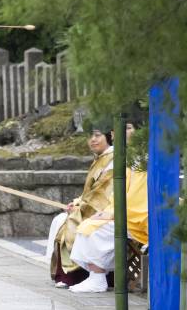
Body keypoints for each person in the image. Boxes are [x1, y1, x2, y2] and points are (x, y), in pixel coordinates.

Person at [69, 135, 148, 293]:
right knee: (82, 225)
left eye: (128, 128)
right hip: (123, 210)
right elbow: (113, 192)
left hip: (141, 214)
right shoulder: (124, 156)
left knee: (93, 230)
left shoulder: (142, 158)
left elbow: (138, 195)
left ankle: (97, 277)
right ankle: (86, 276)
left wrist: (112, 213)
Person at [46, 120, 116, 287]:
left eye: (98, 135)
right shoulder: (101, 159)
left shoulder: (113, 160)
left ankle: (77, 276)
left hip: (103, 209)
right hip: (92, 205)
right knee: (60, 220)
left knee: (71, 222)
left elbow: (104, 193)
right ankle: (66, 276)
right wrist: (77, 203)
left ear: (109, 136)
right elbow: (91, 192)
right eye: (90, 136)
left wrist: (81, 208)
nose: (93, 139)